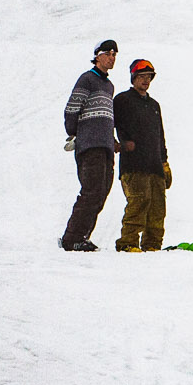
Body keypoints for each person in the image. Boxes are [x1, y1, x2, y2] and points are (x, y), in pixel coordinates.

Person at [59, 39, 121, 251]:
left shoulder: (108, 85)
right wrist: (75, 133)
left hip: (105, 146)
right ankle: (71, 238)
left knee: (102, 191)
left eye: (114, 54)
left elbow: (106, 117)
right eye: (108, 53)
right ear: (97, 55)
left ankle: (82, 236)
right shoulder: (87, 79)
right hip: (89, 145)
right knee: (91, 190)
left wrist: (111, 140)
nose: (112, 57)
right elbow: (72, 109)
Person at [112, 58, 171, 252]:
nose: (145, 81)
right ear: (133, 77)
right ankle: (127, 243)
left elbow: (160, 136)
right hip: (133, 165)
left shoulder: (155, 105)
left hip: (154, 165)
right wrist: (115, 143)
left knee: (157, 208)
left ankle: (152, 244)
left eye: (149, 77)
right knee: (138, 202)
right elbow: (106, 124)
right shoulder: (121, 100)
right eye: (141, 76)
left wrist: (164, 163)